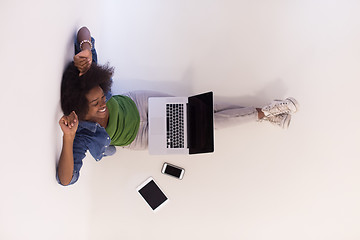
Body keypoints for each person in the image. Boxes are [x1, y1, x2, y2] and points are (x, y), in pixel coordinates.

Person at [57, 27, 299, 186]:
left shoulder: (86, 77)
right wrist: (68, 139)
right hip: (142, 137)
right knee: (208, 126)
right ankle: (264, 112)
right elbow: (66, 179)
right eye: (96, 103)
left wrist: (87, 47)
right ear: (78, 109)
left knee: (204, 109)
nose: (103, 105)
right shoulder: (81, 136)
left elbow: (83, 31)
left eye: (102, 97)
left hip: (141, 104)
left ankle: (265, 113)